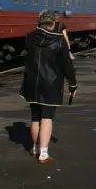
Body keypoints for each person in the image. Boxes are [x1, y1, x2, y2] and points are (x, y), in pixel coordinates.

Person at [19, 10, 78, 163]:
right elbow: (67, 65)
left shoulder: (29, 37)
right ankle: (43, 154)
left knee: (34, 117)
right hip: (51, 83)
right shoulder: (59, 40)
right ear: (53, 23)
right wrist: (73, 84)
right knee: (47, 117)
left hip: (32, 81)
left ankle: (34, 147)